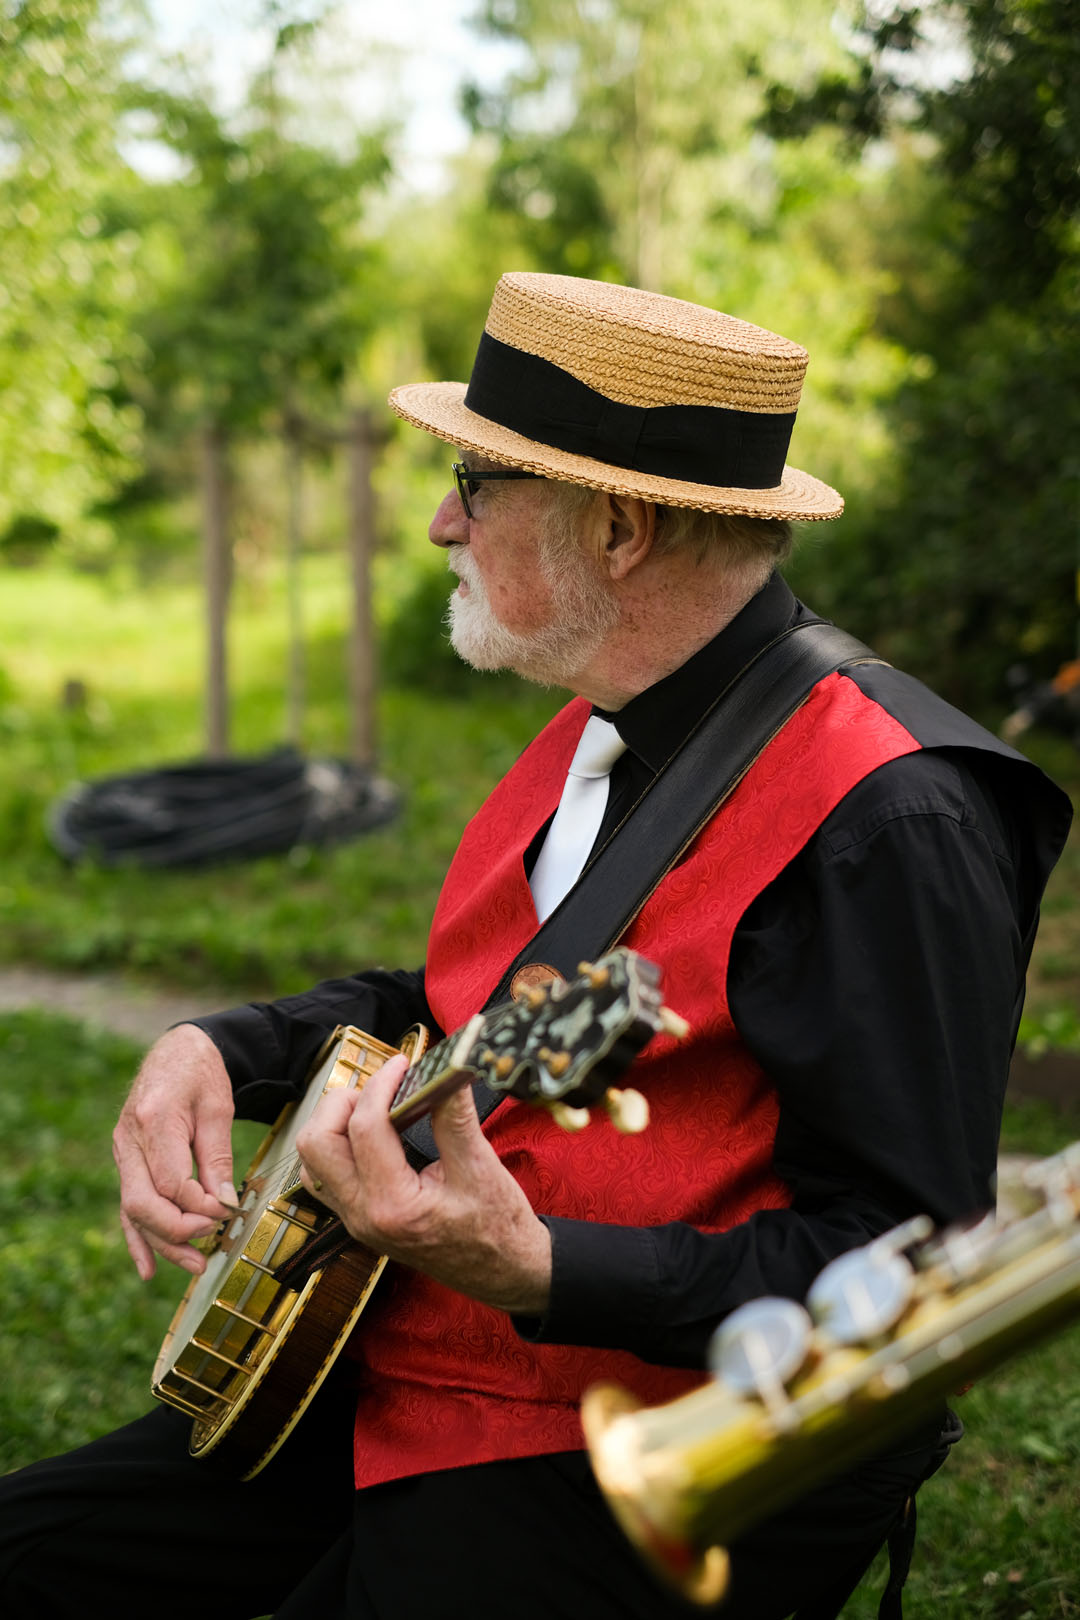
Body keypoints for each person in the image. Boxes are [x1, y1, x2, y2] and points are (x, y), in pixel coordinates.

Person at [0, 272, 1071, 1620]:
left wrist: (549, 1271)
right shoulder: (606, 717)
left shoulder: (892, 818)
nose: (441, 522)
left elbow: (908, 1271)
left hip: (639, 1442)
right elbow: (474, 1004)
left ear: (618, 528)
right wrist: (223, 1045)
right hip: (406, 1359)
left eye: (476, 483)